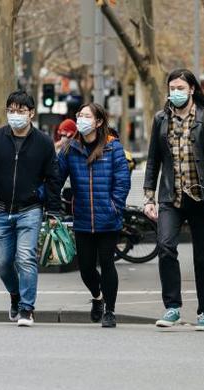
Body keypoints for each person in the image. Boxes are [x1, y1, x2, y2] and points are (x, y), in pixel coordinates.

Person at [143, 69, 204, 331]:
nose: (175, 92)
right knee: (165, 247)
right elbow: (153, 160)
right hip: (170, 195)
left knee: (202, 256)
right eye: (172, 87)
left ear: (192, 89)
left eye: (180, 87)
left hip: (199, 197)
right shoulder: (160, 119)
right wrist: (148, 196)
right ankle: (172, 307)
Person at [0, 90, 61, 327]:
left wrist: (53, 211)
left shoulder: (44, 142)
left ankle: (27, 308)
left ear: (31, 113)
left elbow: (53, 178)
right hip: (2, 209)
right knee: (1, 264)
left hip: (30, 209)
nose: (15, 115)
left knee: (25, 258)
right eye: (11, 111)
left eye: (21, 111)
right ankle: (15, 295)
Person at [58, 103, 130, 328]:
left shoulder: (112, 147)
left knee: (107, 263)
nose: (81, 119)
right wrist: (39, 197)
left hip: (108, 218)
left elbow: (122, 181)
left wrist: (114, 207)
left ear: (98, 122)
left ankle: (110, 310)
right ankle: (97, 298)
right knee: (87, 268)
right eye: (79, 115)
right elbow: (55, 178)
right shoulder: (70, 148)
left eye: (87, 116)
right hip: (82, 219)